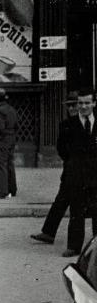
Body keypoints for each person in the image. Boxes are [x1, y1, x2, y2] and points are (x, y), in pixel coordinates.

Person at [31, 91, 79, 245]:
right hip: (71, 170)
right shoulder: (65, 125)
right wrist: (70, 161)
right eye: (69, 106)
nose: (72, 108)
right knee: (60, 201)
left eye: (74, 105)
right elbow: (60, 148)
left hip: (89, 172)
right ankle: (48, 232)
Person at [56, 88, 97, 257]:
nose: (83, 106)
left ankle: (95, 246)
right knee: (76, 212)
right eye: (80, 103)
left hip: (96, 176)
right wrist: (74, 163)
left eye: (87, 103)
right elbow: (61, 149)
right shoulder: (68, 125)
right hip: (77, 175)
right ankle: (74, 246)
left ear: (94, 103)